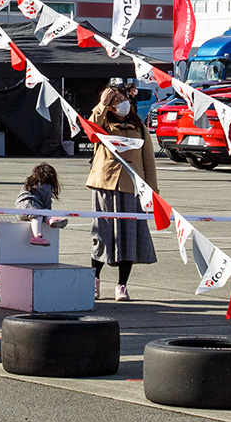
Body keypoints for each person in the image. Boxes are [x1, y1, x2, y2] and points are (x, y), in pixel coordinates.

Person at [85, 83, 158, 302]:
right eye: (114, 99)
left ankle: (122, 285)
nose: (119, 103)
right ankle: (94, 282)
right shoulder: (104, 120)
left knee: (129, 236)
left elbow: (148, 161)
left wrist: (152, 192)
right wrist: (102, 105)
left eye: (121, 98)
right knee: (102, 235)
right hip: (105, 184)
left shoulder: (138, 125)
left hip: (132, 186)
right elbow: (90, 131)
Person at [16, 162, 67, 246]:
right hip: (30, 204)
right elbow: (47, 203)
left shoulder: (29, 184)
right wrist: (49, 213)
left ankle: (50, 220)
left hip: (20, 209)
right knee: (39, 214)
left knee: (39, 213)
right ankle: (36, 235)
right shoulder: (45, 187)